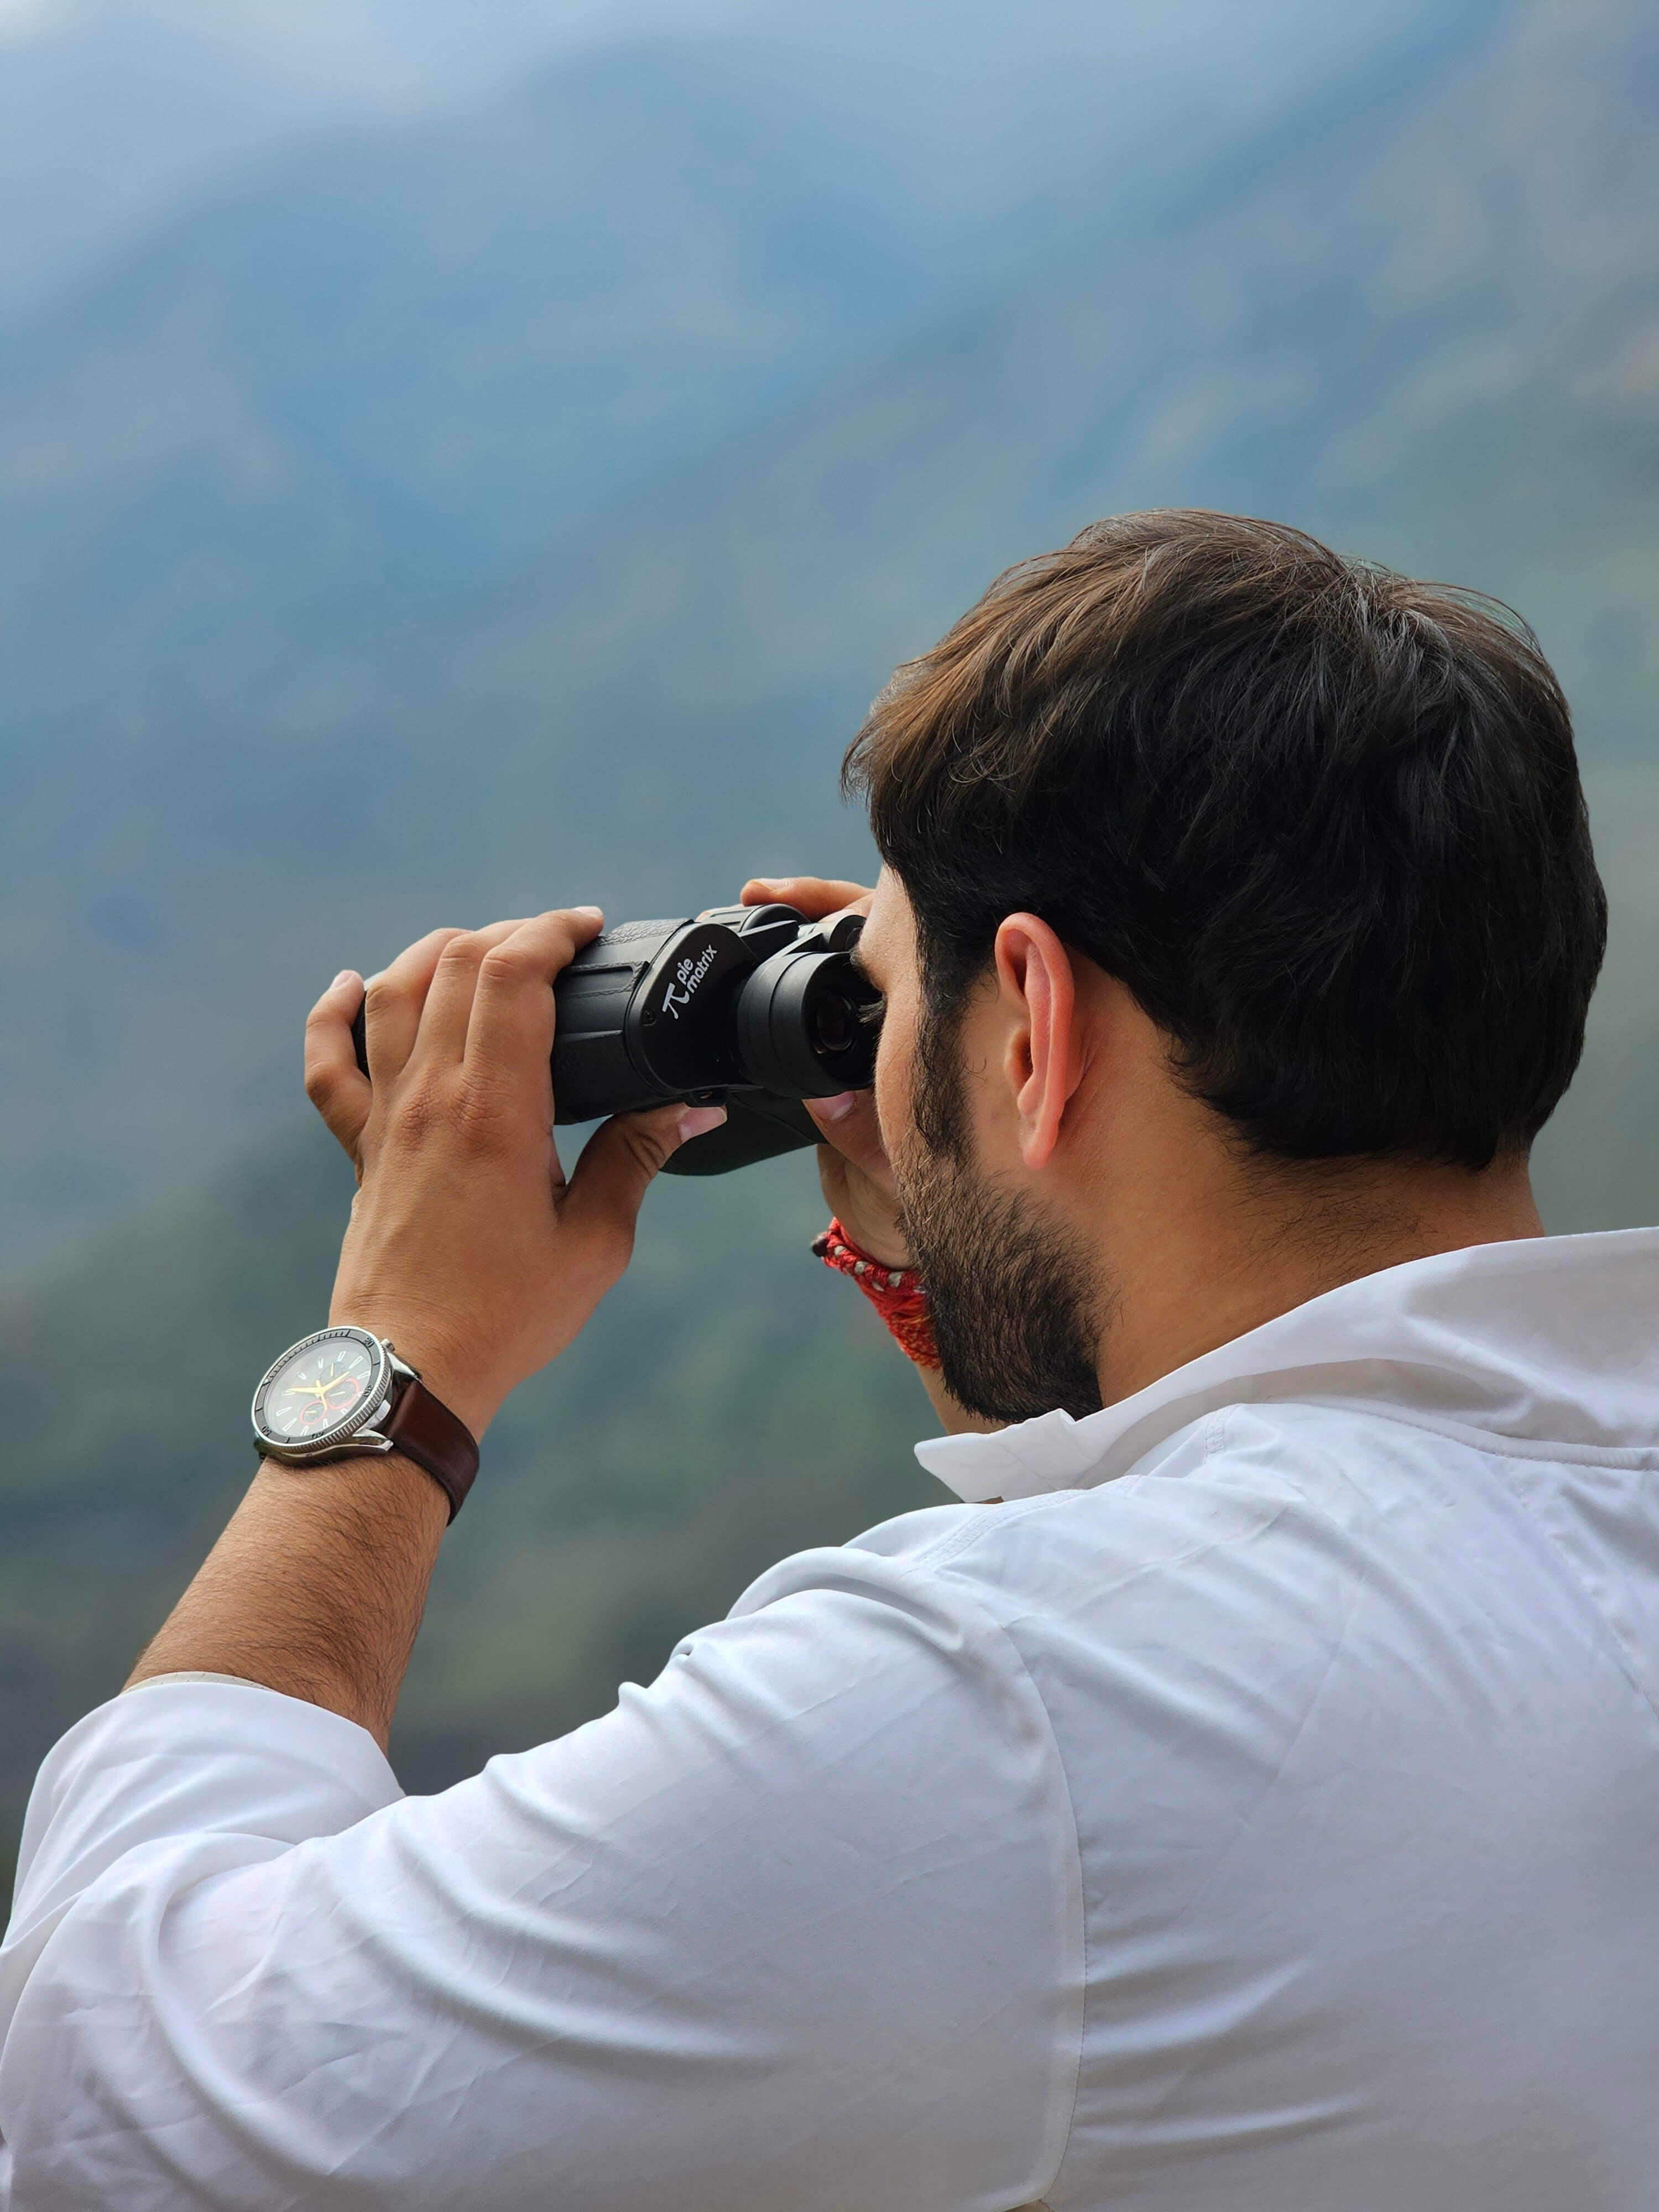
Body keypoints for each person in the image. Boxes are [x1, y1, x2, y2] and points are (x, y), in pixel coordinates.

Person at [0, 509, 1651, 2211]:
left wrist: (395, 1364)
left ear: (1035, 1017)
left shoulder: (1006, 1710)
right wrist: (952, 1230)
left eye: (890, 984)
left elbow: (107, 2095)